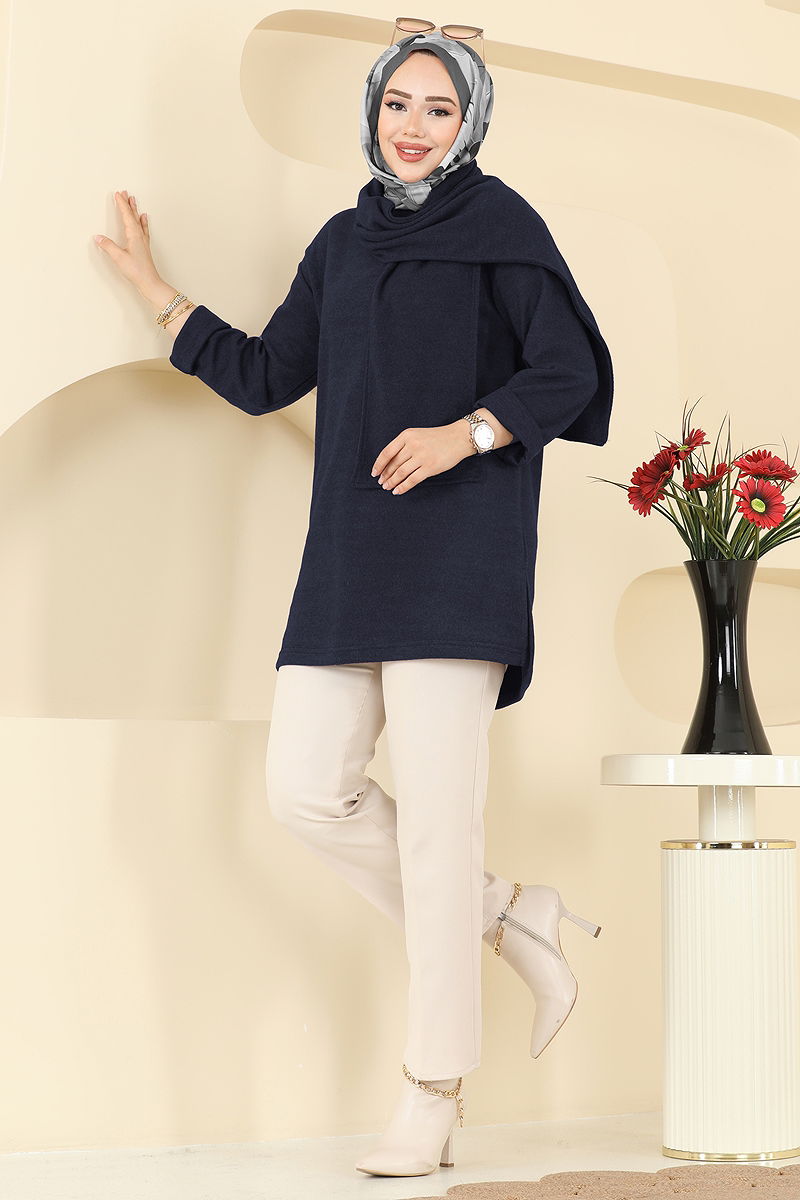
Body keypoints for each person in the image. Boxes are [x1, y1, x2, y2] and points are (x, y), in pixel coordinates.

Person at [93, 23, 612, 1180]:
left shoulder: (500, 226)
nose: (413, 126)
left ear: (468, 123)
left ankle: (434, 1087)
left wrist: (465, 433)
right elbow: (268, 374)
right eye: (397, 103)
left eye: (438, 108)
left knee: (433, 824)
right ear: (373, 110)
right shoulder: (343, 241)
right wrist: (156, 294)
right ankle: (508, 914)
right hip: (349, 555)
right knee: (301, 789)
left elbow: (567, 369)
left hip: (459, 559)